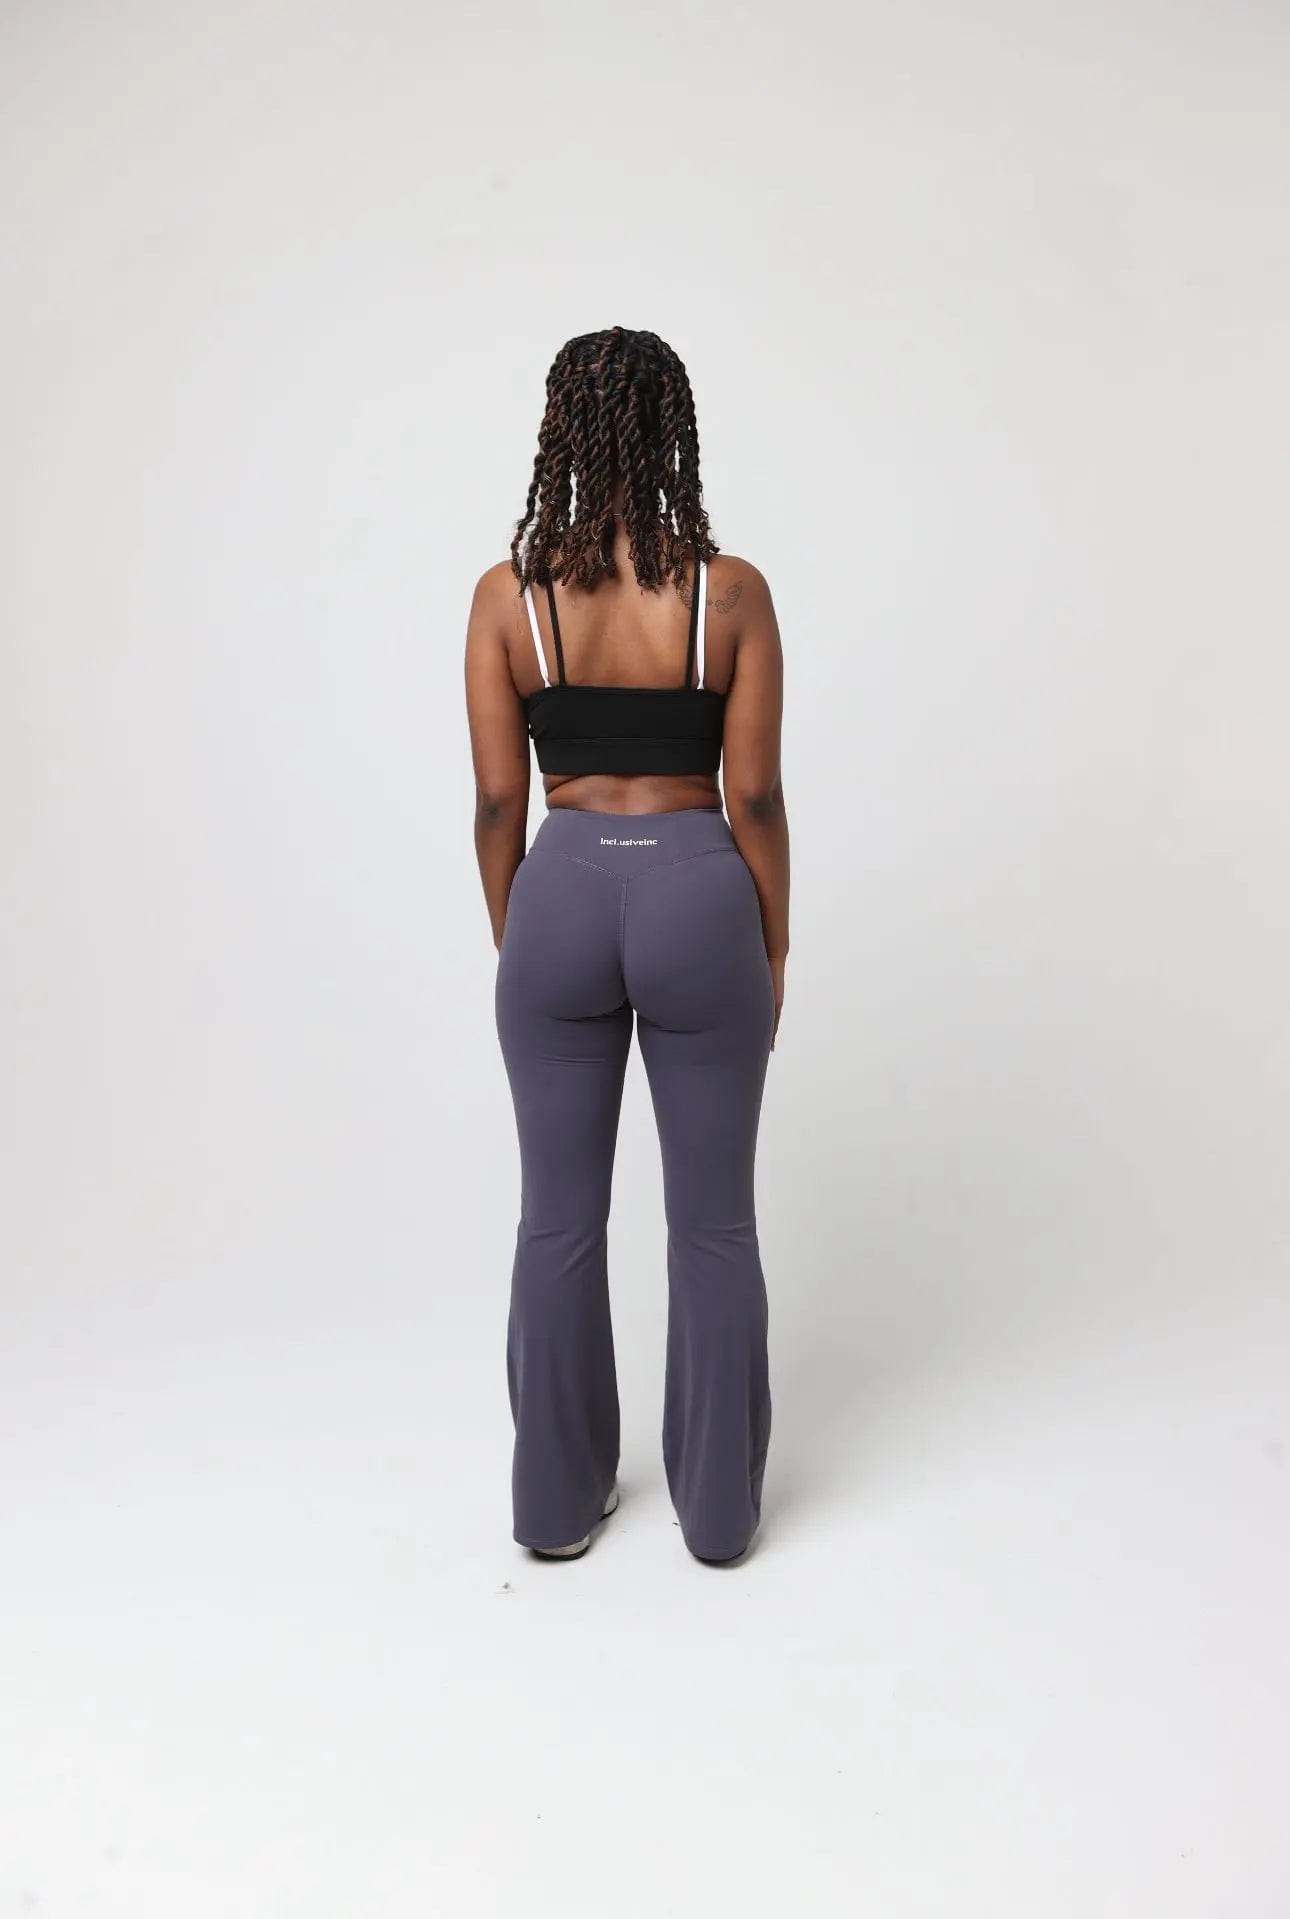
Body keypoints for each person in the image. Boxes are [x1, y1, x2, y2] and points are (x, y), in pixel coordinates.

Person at [464, 327, 790, 1565]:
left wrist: (520, 930)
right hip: (701, 893)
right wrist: (773, 943)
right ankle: (718, 1515)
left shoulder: (508, 599)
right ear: (673, 438)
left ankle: (553, 1508)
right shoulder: (731, 592)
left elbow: (499, 801)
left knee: (556, 1221)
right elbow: (754, 796)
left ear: (559, 434)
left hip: (557, 891)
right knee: (714, 1226)